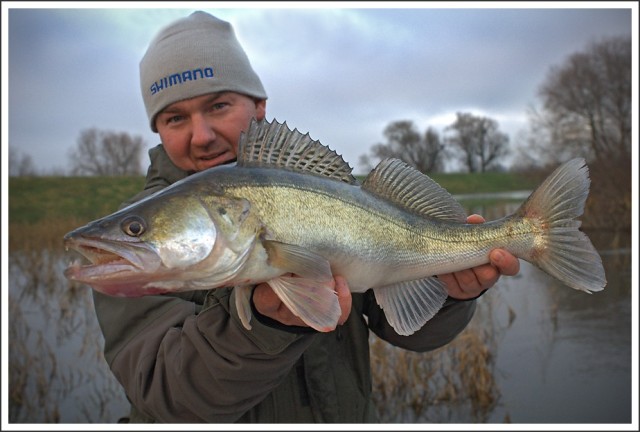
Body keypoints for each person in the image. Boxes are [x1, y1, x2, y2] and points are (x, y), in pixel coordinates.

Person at [92, 10, 520, 423]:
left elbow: (406, 328)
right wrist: (262, 325)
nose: (201, 135)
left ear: (259, 106)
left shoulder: (337, 195)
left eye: (219, 105)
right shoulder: (133, 259)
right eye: (175, 117)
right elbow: (170, 396)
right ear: (158, 130)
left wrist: (451, 295)